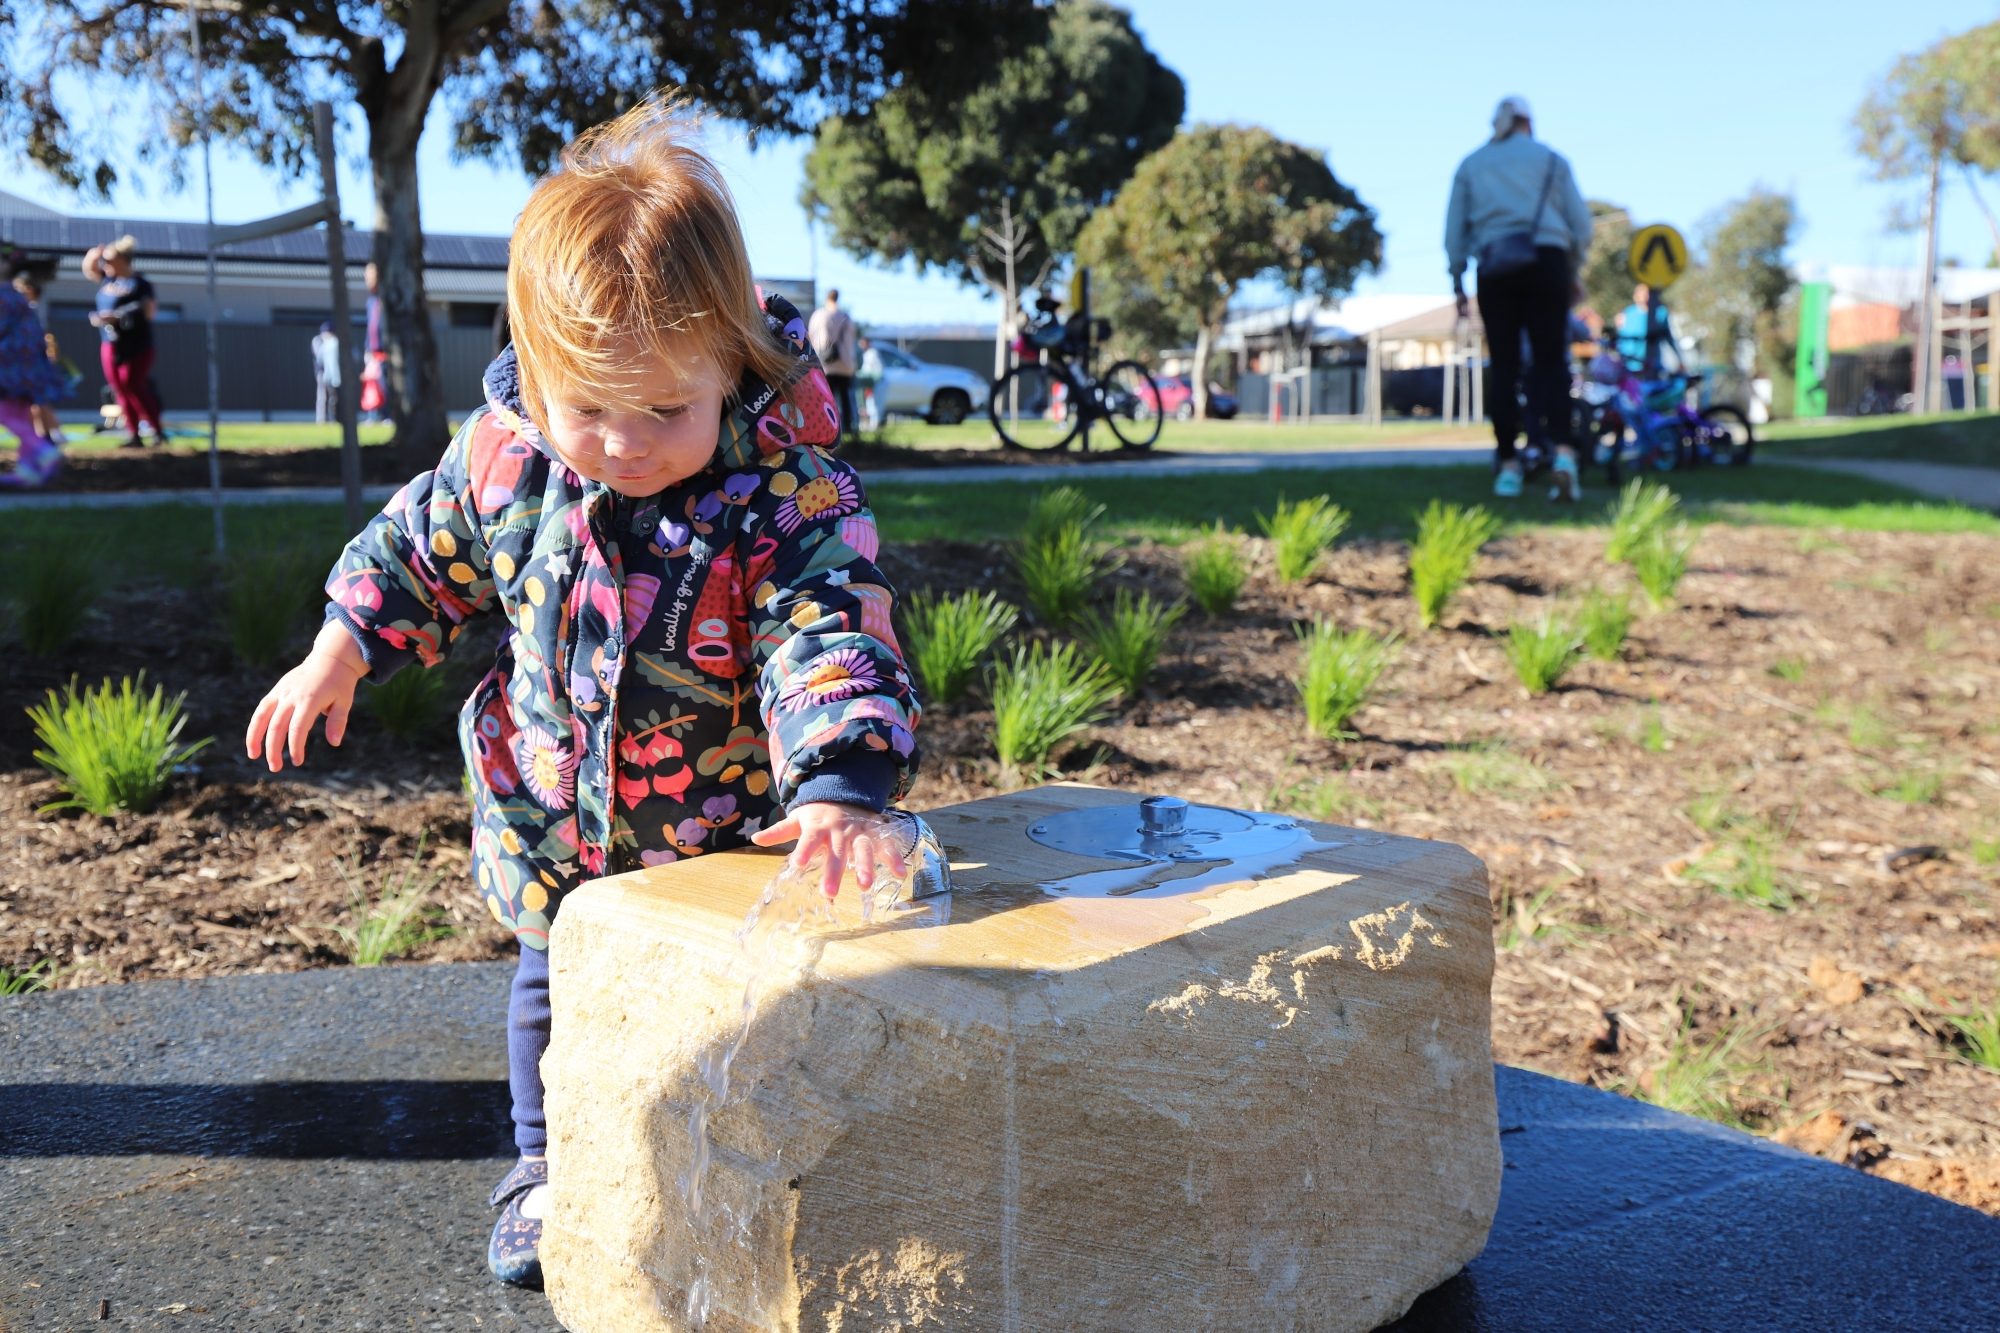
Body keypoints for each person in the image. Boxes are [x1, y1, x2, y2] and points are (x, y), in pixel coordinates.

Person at [242, 97, 920, 1292]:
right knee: (551, 1012)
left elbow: (824, 621)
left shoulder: (781, 493)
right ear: (536, 370)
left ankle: (749, 1177)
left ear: (733, 362)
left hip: (724, 838)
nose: (624, 442)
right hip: (559, 833)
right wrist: (340, 646)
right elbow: (418, 548)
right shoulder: (505, 461)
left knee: (739, 1026)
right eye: (589, 409)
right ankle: (542, 1171)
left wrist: (841, 780)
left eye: (667, 408)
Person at [1445, 95, 1593, 501]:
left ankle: (1508, 464)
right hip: (1548, 261)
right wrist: (1571, 270)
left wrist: (1458, 281)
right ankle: (1564, 455)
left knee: (1506, 366)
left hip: (1496, 266)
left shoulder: (1472, 164)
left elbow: (1455, 230)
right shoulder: (1551, 160)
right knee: (1552, 362)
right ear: (1530, 122)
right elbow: (1581, 226)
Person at [83, 234, 168, 448]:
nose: (105, 264)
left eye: (109, 260)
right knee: (119, 388)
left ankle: (157, 431)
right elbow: (90, 269)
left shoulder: (140, 284)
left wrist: (119, 316)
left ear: (122, 260)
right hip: (111, 343)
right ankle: (134, 434)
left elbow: (149, 312)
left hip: (137, 344)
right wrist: (94, 255)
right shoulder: (108, 280)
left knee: (134, 385)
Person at [0, 252, 69, 487]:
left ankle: (43, 450)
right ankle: (27, 471)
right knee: (21, 414)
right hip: (25, 367)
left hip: (10, 367)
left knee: (5, 412)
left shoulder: (4, 296)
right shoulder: (14, 294)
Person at [11, 268, 71, 445]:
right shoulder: (29, 310)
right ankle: (43, 436)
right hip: (27, 361)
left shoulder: (31, 310)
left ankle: (51, 435)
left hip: (33, 361)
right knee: (33, 402)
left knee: (37, 401)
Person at [807, 287, 858, 440]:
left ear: (826, 298)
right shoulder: (846, 317)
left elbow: (810, 336)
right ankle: (849, 429)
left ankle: (828, 429)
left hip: (825, 364)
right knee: (845, 398)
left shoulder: (819, 315)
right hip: (845, 364)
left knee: (826, 400)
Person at [1615, 283, 1680, 373]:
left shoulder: (1660, 313)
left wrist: (1679, 359)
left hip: (1653, 366)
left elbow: (1668, 337)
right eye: (1641, 292)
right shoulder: (1627, 314)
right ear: (1635, 296)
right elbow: (1620, 341)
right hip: (1630, 367)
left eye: (1647, 293)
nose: (1644, 295)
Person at [360, 261, 387, 421]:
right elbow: (370, 327)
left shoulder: (383, 299)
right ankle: (373, 415)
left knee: (384, 384)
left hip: (383, 351)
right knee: (371, 383)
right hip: (372, 350)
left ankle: (386, 415)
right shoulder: (371, 301)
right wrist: (368, 348)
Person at [310, 321, 341, 424]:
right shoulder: (318, 340)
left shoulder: (335, 341)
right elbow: (319, 356)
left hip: (333, 374)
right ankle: (321, 419)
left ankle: (333, 418)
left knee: (334, 397)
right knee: (322, 397)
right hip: (322, 372)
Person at [856, 334, 884, 430]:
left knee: (874, 404)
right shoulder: (866, 354)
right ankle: (870, 424)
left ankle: (875, 424)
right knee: (869, 404)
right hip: (869, 383)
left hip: (877, 382)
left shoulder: (873, 353)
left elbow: (877, 371)